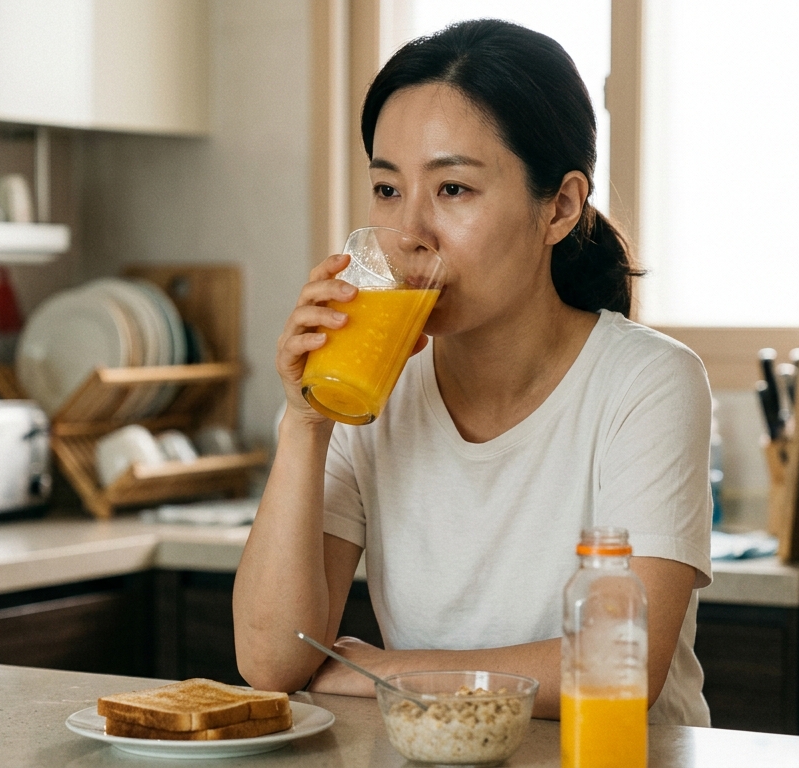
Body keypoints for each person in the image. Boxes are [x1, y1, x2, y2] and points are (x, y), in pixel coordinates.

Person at [233, 18, 712, 725]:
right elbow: (274, 661)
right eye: (388, 190)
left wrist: (373, 671)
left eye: (453, 189)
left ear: (560, 207)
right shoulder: (364, 392)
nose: (408, 233)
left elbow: (621, 665)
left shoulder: (647, 382)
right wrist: (307, 421)